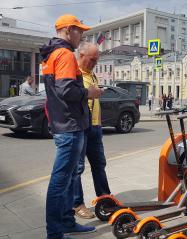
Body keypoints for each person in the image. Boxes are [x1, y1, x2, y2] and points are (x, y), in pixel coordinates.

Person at [41, 14, 101, 239]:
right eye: (79, 31)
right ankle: (55, 232)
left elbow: (56, 92)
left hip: (62, 123)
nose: (81, 36)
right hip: (71, 126)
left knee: (66, 180)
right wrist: (90, 93)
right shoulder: (65, 54)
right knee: (60, 181)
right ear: (68, 30)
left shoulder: (50, 54)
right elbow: (67, 91)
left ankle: (66, 222)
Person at [73, 42, 111, 219]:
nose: (95, 62)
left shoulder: (92, 74)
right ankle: (77, 204)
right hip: (81, 127)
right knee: (77, 168)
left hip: (95, 127)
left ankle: (105, 199)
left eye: (97, 60)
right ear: (81, 55)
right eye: (92, 59)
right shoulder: (74, 73)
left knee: (99, 164)